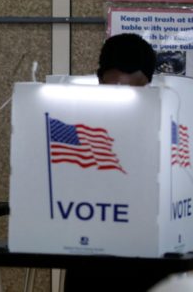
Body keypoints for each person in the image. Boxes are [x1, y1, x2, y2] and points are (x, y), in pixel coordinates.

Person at [65, 33, 167, 292]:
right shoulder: (77, 127)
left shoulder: (169, 127)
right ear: (99, 82)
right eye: (115, 90)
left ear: (149, 85)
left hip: (151, 259)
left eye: (135, 90)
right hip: (91, 260)